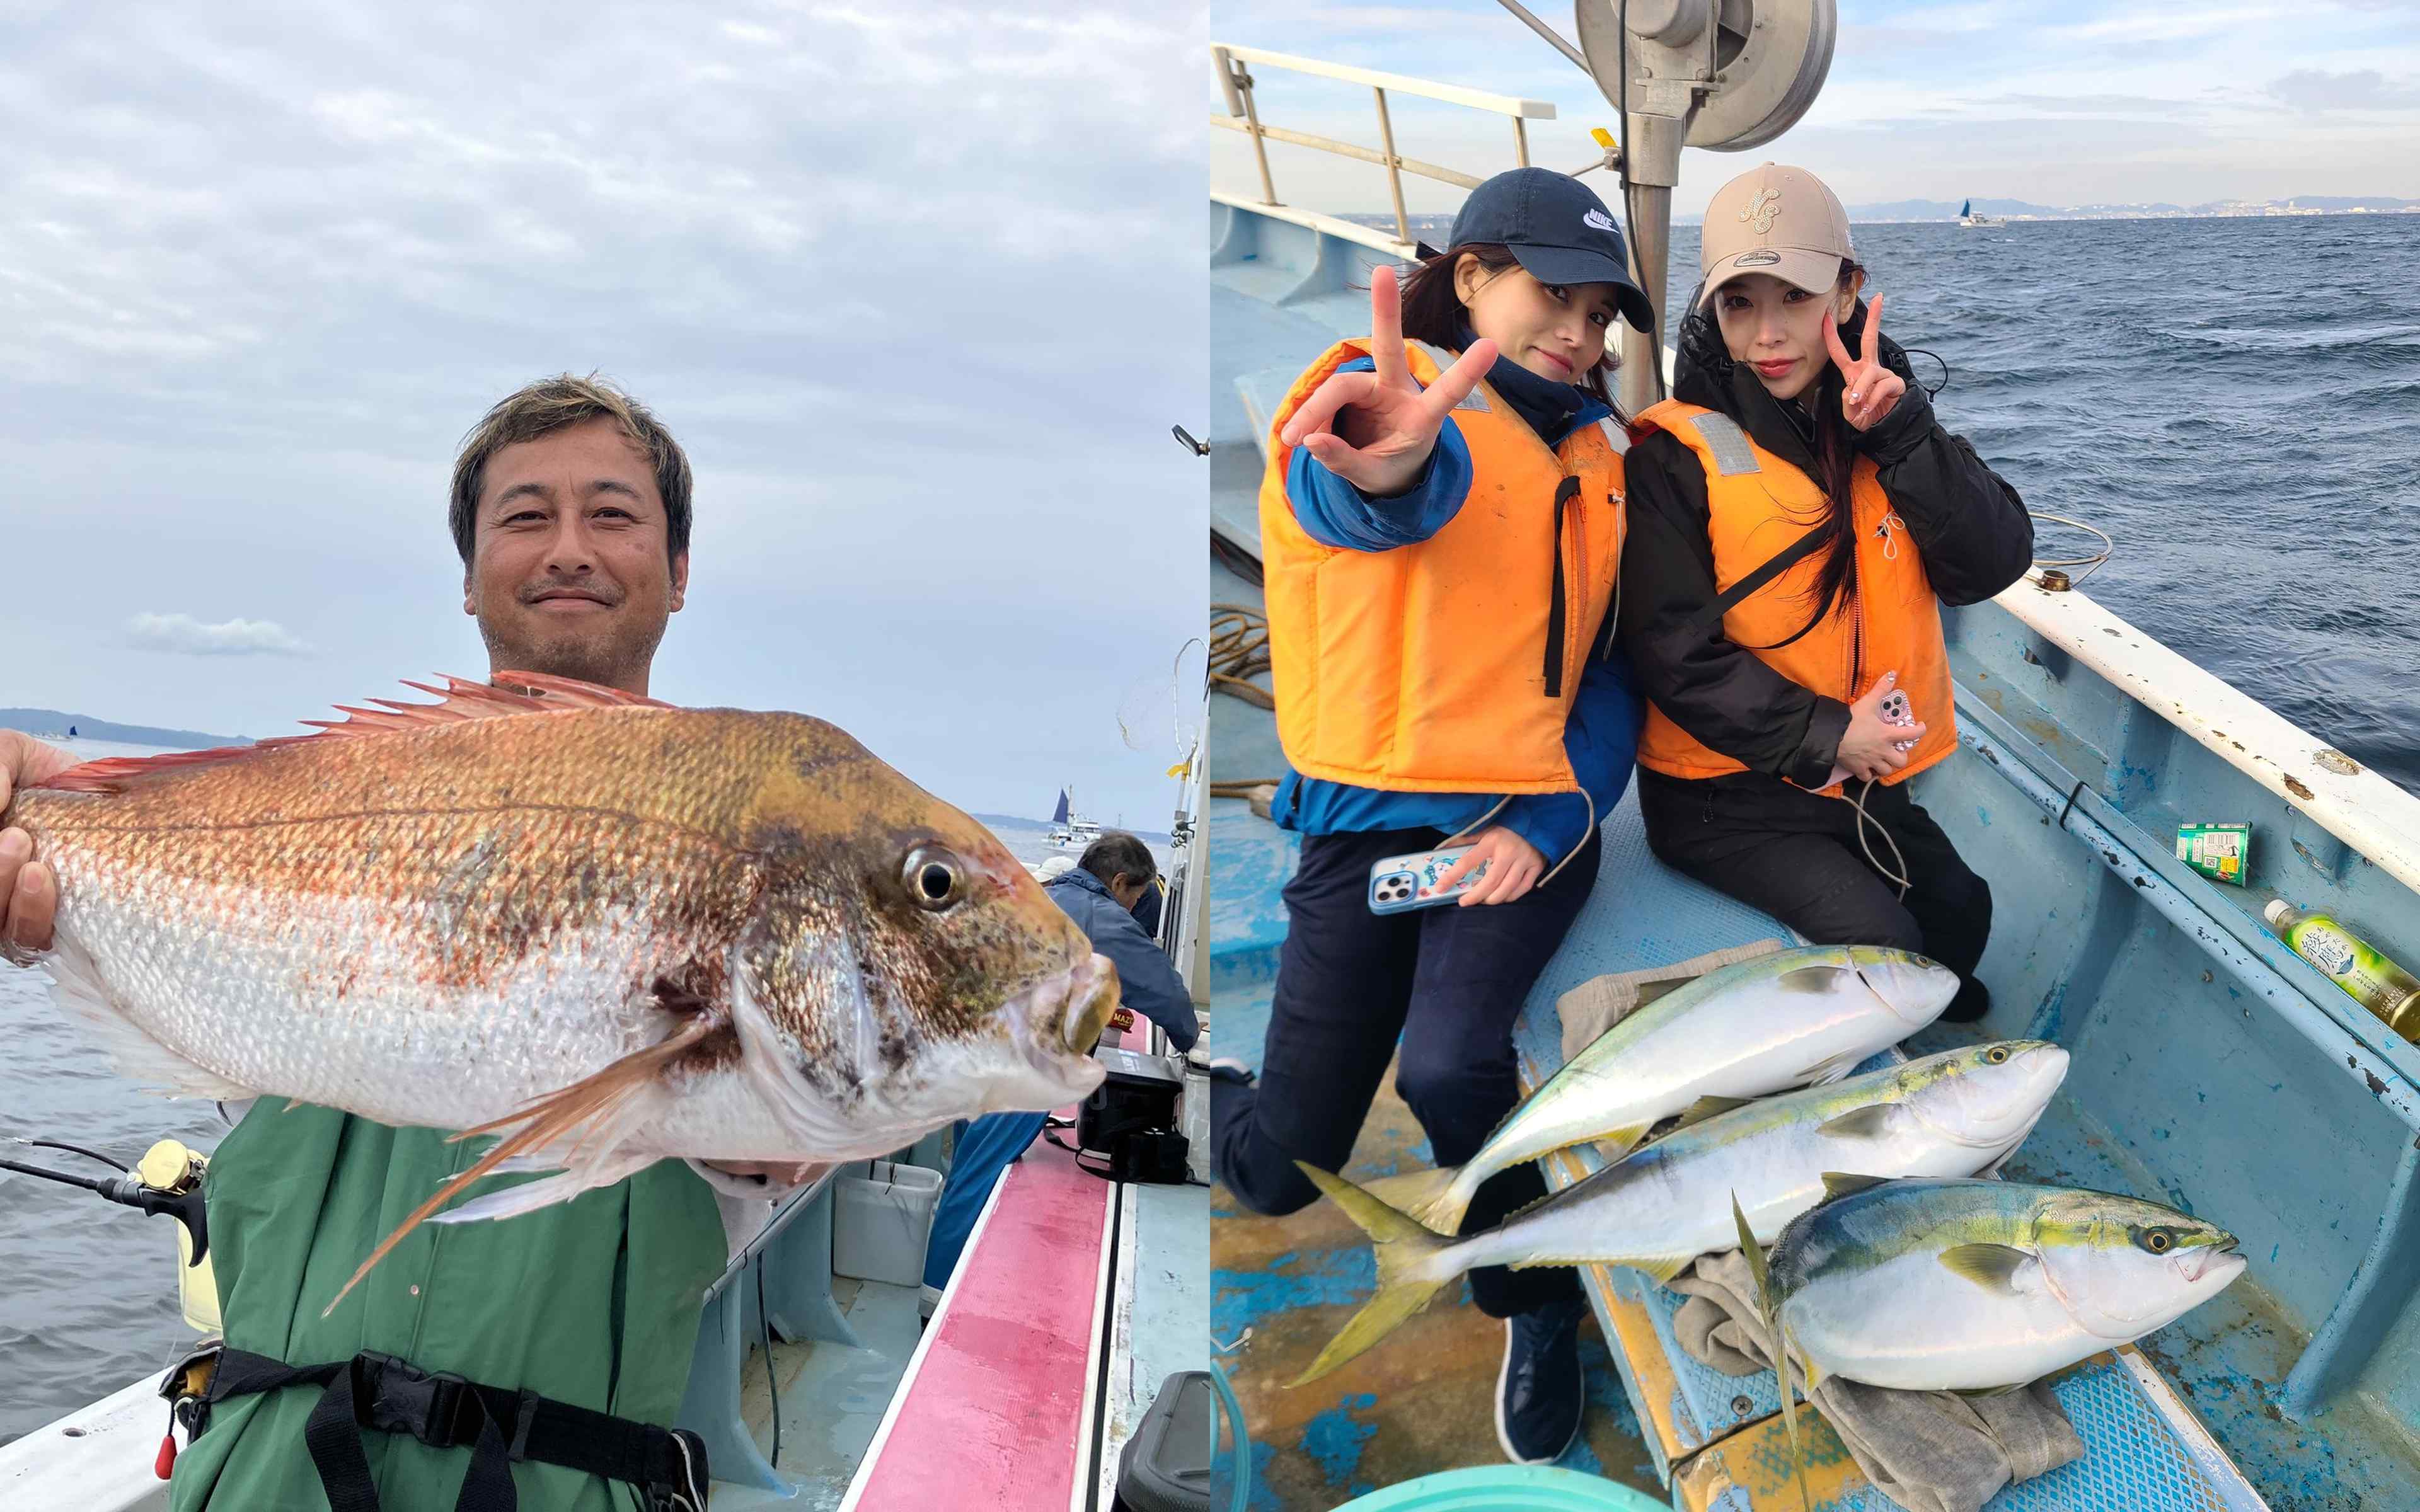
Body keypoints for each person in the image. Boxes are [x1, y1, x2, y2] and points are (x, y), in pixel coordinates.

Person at [0, 374, 817, 1511]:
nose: (569, 548)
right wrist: (48, 814)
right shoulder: (332, 808)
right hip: (263, 1480)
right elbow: (192, 936)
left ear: (679, 572)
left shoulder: (748, 833)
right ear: (470, 578)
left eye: (613, 514)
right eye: (525, 516)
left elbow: (776, 1144)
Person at [1210, 168, 1651, 1465]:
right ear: (1470, 280)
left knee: (1449, 1066)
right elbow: (1372, 482)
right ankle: (1207, 1088)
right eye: (1552, 297)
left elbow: (1609, 675)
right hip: (1360, 825)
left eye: (1600, 316)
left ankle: (1531, 1294)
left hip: (1522, 814)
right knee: (1278, 1171)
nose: (1579, 334)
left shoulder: (1601, 458)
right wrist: (1385, 472)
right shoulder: (1375, 402)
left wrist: (1551, 825)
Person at [1616, 164, 2033, 1017]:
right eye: (1740, 303)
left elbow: (1991, 564)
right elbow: (1671, 650)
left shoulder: (1889, 425)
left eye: (1797, 299)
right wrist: (1829, 734)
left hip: (1859, 779)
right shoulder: (1674, 459)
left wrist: (1906, 436)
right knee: (1888, 949)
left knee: (1962, 915)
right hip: (1725, 797)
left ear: (1848, 293)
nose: (1768, 333)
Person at [919, 832, 1197, 1312]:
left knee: (968, 1167)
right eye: (1135, 897)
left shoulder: (1038, 897)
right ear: (1119, 882)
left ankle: (937, 1286)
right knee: (981, 1176)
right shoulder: (1100, 916)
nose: (1134, 907)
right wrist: (1193, 1043)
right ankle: (938, 1301)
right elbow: (1164, 992)